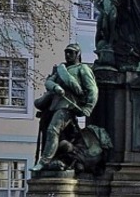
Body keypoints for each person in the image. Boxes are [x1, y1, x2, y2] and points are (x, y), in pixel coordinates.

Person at [32, 44, 98, 172]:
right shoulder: (61, 68)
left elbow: (92, 90)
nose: (68, 55)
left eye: (71, 52)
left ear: (78, 54)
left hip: (68, 105)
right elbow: (49, 81)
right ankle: (51, 159)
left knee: (53, 129)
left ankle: (44, 161)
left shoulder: (82, 69)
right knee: (48, 132)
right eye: (66, 52)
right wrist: (55, 87)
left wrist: (88, 108)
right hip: (53, 105)